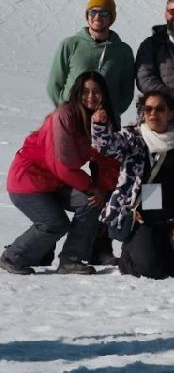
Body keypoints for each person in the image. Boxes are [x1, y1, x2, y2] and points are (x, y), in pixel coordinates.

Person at [2, 72, 120, 275]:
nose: (91, 96)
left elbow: (108, 161)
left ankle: (71, 260)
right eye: (85, 91)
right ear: (76, 93)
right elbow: (61, 165)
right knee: (55, 224)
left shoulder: (100, 119)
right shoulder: (63, 116)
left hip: (55, 183)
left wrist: (100, 188)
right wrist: (90, 186)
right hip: (28, 181)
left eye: (96, 91)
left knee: (91, 202)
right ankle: (13, 256)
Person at [92, 90, 174, 279]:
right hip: (141, 220)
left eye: (160, 109)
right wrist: (99, 125)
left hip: (171, 220)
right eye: (148, 109)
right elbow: (105, 145)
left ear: (171, 113)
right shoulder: (132, 138)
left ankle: (160, 250)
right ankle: (128, 256)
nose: (153, 113)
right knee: (150, 271)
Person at [47, 0, 136, 115]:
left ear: (111, 18)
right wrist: (66, 110)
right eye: (93, 12)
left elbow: (127, 92)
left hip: (106, 122)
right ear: (87, 16)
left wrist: (112, 112)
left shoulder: (123, 51)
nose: (97, 17)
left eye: (104, 13)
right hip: (72, 119)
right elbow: (54, 85)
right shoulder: (70, 45)